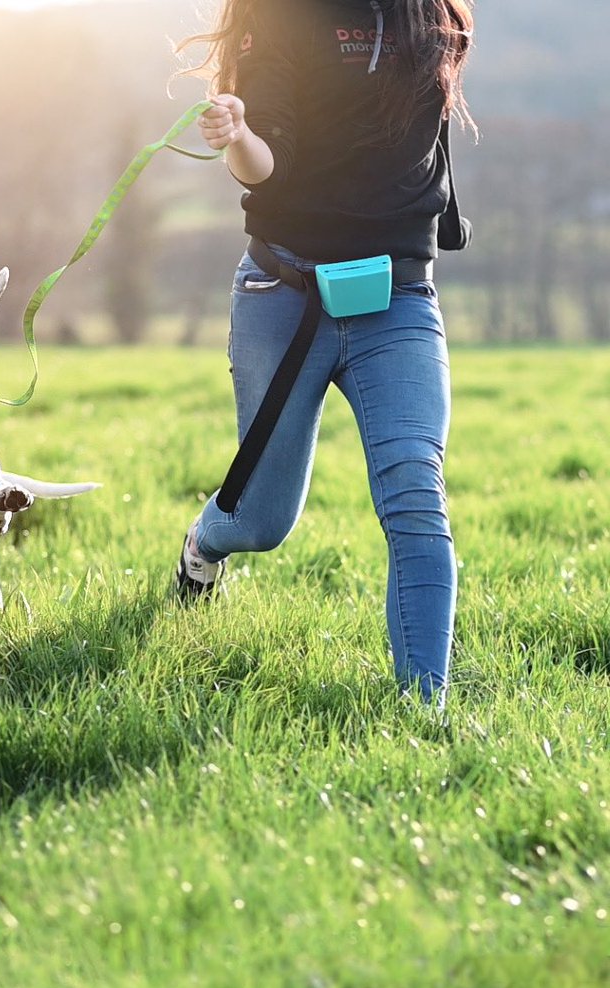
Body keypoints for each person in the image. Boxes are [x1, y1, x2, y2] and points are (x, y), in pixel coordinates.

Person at [175, 0, 475, 708]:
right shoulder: (280, 16)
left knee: (415, 495)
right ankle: (203, 545)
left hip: (396, 301)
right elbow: (262, 164)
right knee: (262, 522)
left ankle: (423, 710)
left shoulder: (432, 19)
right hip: (283, 295)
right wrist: (241, 133)